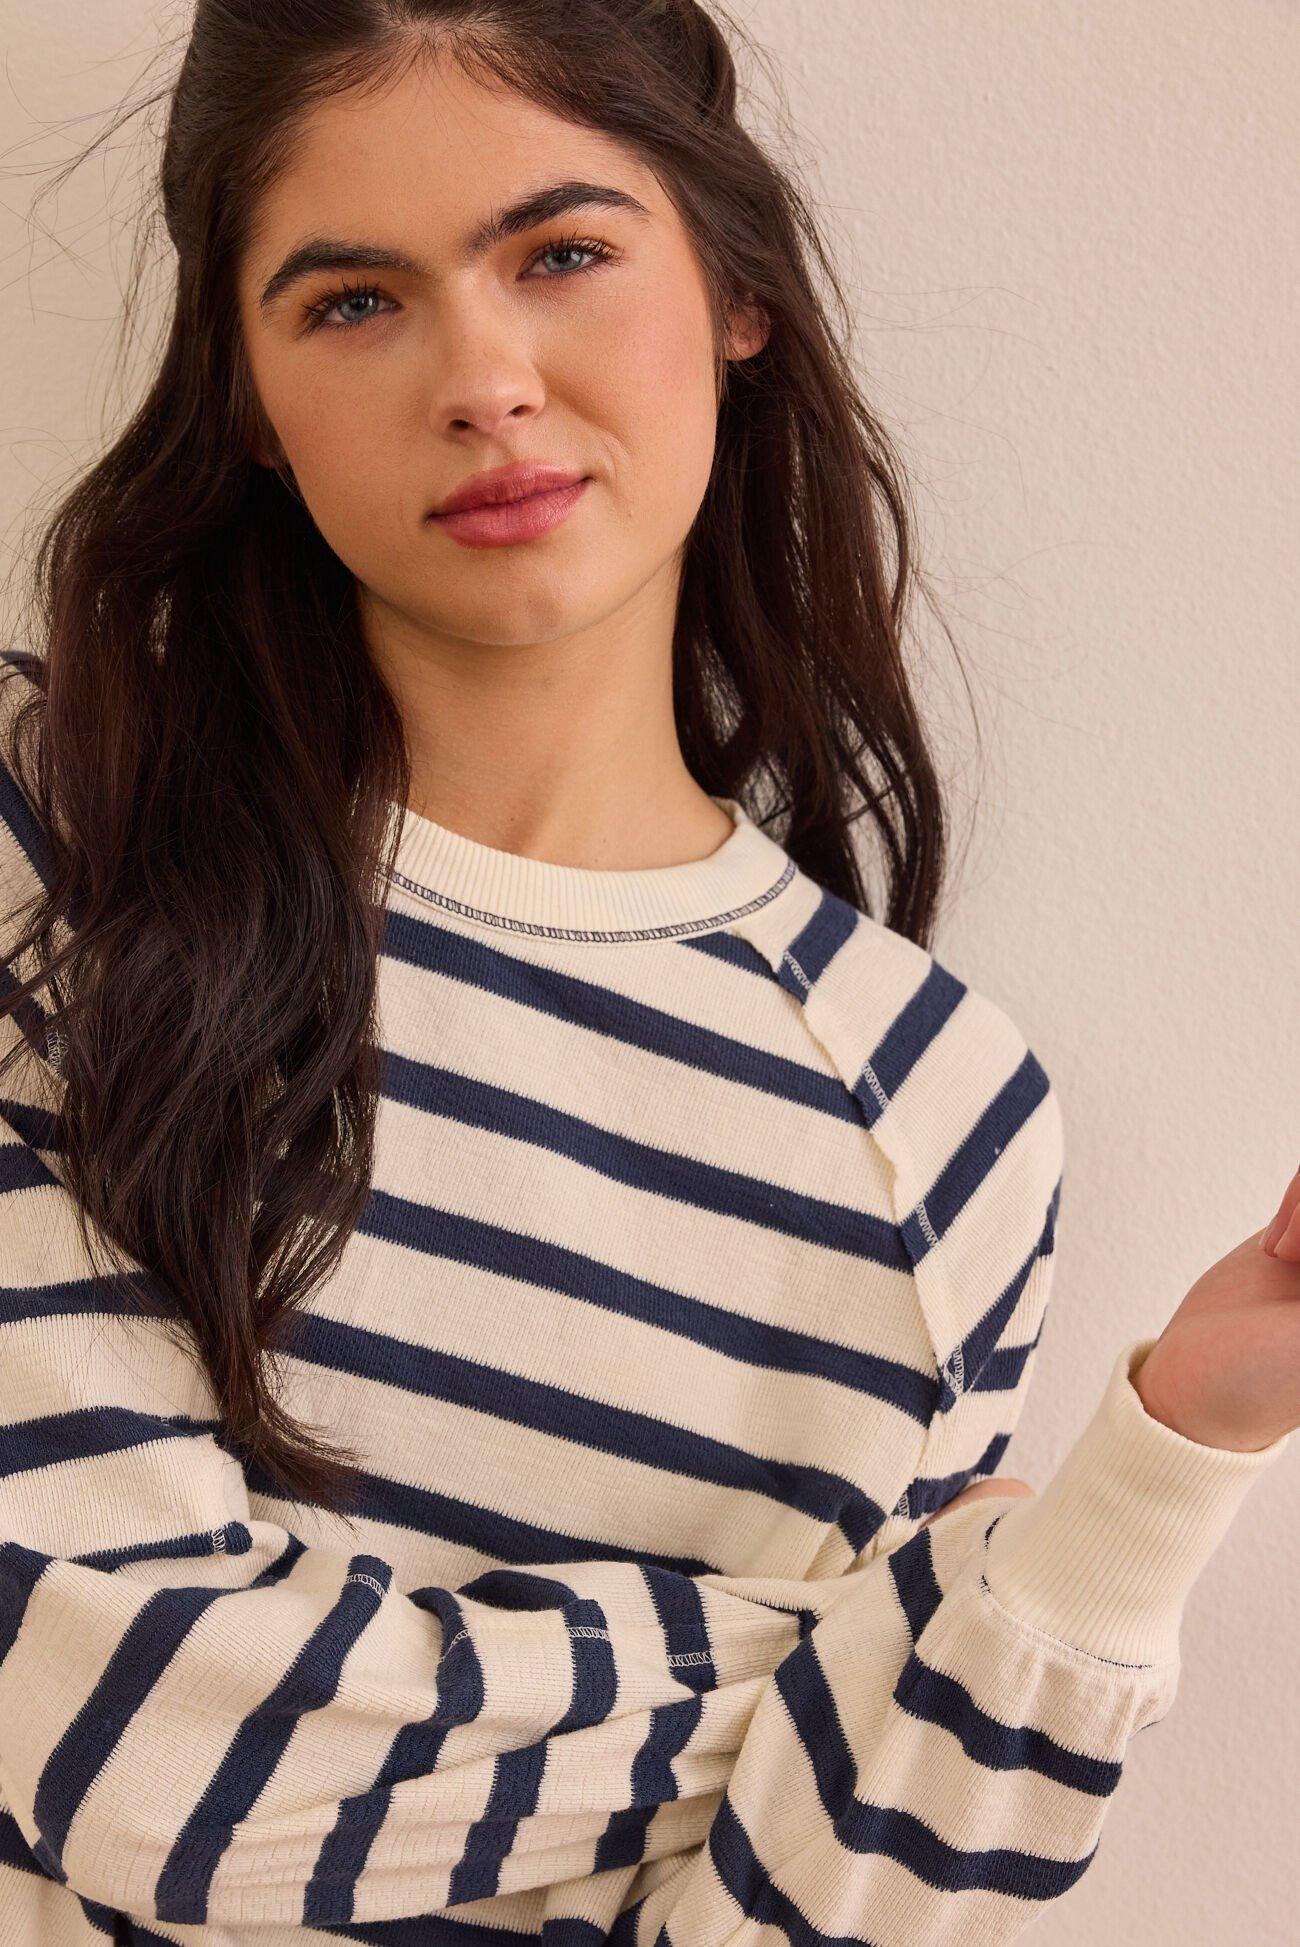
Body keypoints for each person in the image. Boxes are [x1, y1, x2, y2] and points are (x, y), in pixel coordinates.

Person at [0, 3, 1295, 1940]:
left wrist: (1159, 1469)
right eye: (353, 302)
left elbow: (800, 1911)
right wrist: (866, 1659)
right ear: (251, 396)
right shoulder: (51, 842)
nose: (483, 380)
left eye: (561, 254)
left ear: (735, 287)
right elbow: (116, 1739)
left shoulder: (934, 1117)